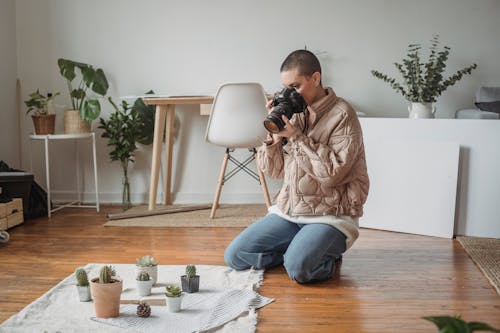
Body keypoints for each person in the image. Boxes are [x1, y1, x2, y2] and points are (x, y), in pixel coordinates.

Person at [224, 49, 369, 283]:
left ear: (315, 78)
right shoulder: (294, 112)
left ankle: (317, 255)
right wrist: (274, 139)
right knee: (236, 256)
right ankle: (300, 250)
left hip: (330, 215)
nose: (291, 93)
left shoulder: (343, 114)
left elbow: (333, 174)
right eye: (286, 87)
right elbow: (273, 172)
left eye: (296, 86)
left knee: (299, 269)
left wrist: (296, 137)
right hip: (290, 211)